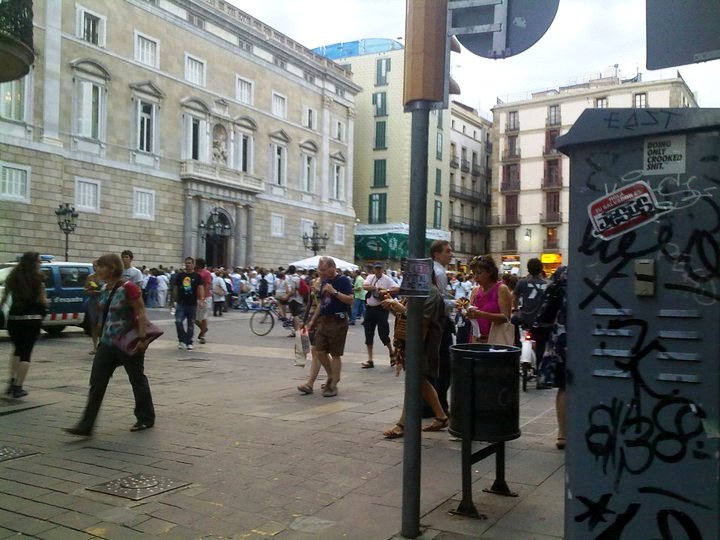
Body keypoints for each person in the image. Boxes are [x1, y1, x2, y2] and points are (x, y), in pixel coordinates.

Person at [64, 253, 155, 436]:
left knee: (137, 379)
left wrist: (142, 338)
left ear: (112, 268)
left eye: (101, 266)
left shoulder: (129, 287)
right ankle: (86, 424)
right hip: (107, 342)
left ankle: (145, 417)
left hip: (127, 341)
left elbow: (141, 312)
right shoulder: (105, 287)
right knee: (97, 381)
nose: (97, 269)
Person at [380, 269, 449, 439]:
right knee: (419, 381)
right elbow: (406, 316)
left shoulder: (431, 292)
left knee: (415, 381)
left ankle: (403, 424)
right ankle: (440, 416)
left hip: (424, 343)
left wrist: (401, 309)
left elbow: (421, 321)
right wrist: (394, 307)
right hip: (415, 341)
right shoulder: (418, 290)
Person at [1, 251, 48, 398]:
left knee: (17, 350)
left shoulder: (12, 277)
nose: (40, 263)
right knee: (26, 354)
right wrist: (46, 305)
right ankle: (18, 387)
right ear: (33, 262)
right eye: (39, 261)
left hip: (14, 319)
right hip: (31, 319)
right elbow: (43, 301)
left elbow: (4, 299)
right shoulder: (37, 279)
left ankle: (11, 381)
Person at [306, 257, 353, 397]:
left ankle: (333, 385)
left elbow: (350, 300)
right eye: (320, 270)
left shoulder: (343, 280)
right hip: (324, 320)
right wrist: (313, 320)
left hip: (338, 320)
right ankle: (332, 375)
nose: (321, 273)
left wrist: (335, 292)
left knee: (335, 353)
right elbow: (322, 303)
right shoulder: (323, 281)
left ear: (333, 268)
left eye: (324, 270)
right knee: (319, 351)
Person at [429, 240, 455, 416]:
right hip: (439, 323)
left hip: (431, 323)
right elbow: (440, 301)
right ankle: (441, 406)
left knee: (433, 365)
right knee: (444, 366)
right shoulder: (439, 272)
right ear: (437, 254)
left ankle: (433, 405)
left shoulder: (432, 269)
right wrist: (458, 304)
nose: (451, 254)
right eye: (447, 251)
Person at [297, 273, 332, 395]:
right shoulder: (314, 282)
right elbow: (310, 302)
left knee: (317, 351)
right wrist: (304, 320)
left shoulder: (329, 284)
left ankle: (310, 384)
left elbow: (324, 303)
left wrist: (320, 291)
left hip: (323, 320)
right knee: (320, 352)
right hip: (313, 321)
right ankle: (332, 377)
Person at [465, 255, 513, 343]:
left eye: (479, 273)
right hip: (476, 339)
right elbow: (471, 315)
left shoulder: (501, 289)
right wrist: (466, 311)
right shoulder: (475, 290)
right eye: (473, 273)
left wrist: (481, 314)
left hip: (496, 340)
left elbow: (506, 317)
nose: (475, 277)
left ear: (490, 272)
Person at [512, 257, 548, 366]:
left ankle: (517, 344)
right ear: (541, 269)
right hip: (540, 320)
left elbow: (515, 297)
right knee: (541, 342)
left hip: (524, 317)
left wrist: (515, 309)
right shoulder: (547, 284)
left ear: (528, 269)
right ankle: (540, 364)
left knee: (513, 320)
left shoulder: (522, 282)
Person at [361, 262, 398, 368]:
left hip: (381, 309)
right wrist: (375, 288)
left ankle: (391, 352)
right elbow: (365, 286)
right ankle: (370, 359)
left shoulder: (387, 279)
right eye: (376, 269)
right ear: (374, 269)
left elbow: (397, 288)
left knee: (383, 333)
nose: (378, 271)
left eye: (380, 269)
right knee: (368, 333)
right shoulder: (370, 277)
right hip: (370, 309)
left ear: (383, 269)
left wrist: (387, 290)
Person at [172, 257, 204, 350]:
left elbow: (200, 288)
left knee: (191, 324)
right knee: (178, 321)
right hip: (181, 302)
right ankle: (182, 340)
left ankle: (189, 342)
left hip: (192, 303)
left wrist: (201, 300)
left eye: (189, 263)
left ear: (193, 264)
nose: (187, 265)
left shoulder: (197, 276)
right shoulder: (180, 276)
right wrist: (173, 300)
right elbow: (175, 288)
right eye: (186, 263)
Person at [85, 261, 103, 354]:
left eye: (96, 266)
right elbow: (85, 288)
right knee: (93, 324)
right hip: (93, 301)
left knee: (100, 324)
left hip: (102, 301)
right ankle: (95, 346)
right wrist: (89, 290)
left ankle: (101, 344)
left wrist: (100, 291)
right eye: (93, 266)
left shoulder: (105, 277)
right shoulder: (90, 277)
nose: (95, 268)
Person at [194, 258, 212, 344]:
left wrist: (203, 297)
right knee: (194, 318)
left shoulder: (206, 273)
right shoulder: (195, 273)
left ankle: (203, 336)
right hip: (195, 297)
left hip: (205, 297)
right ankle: (203, 329)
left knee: (204, 317)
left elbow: (207, 285)